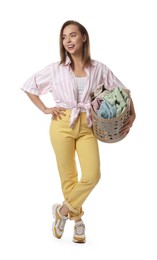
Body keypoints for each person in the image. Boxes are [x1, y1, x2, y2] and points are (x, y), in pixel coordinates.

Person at [21, 20, 136, 243]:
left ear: (84, 37)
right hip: (62, 123)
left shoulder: (99, 68)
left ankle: (62, 212)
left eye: (73, 35)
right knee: (69, 177)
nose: (68, 41)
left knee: (92, 175)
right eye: (64, 37)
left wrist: (133, 114)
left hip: (88, 125)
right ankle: (78, 221)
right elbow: (29, 85)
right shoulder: (56, 69)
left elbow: (123, 90)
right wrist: (45, 108)